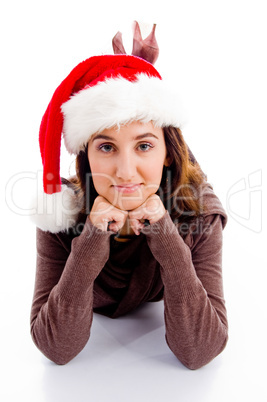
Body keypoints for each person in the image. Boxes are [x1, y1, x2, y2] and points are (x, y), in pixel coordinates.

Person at [30, 24, 228, 370]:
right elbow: (56, 349)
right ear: (86, 156)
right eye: (106, 146)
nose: (124, 172)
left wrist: (166, 234)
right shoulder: (62, 215)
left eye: (144, 145)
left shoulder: (200, 217)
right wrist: (92, 236)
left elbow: (199, 353)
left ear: (168, 151)